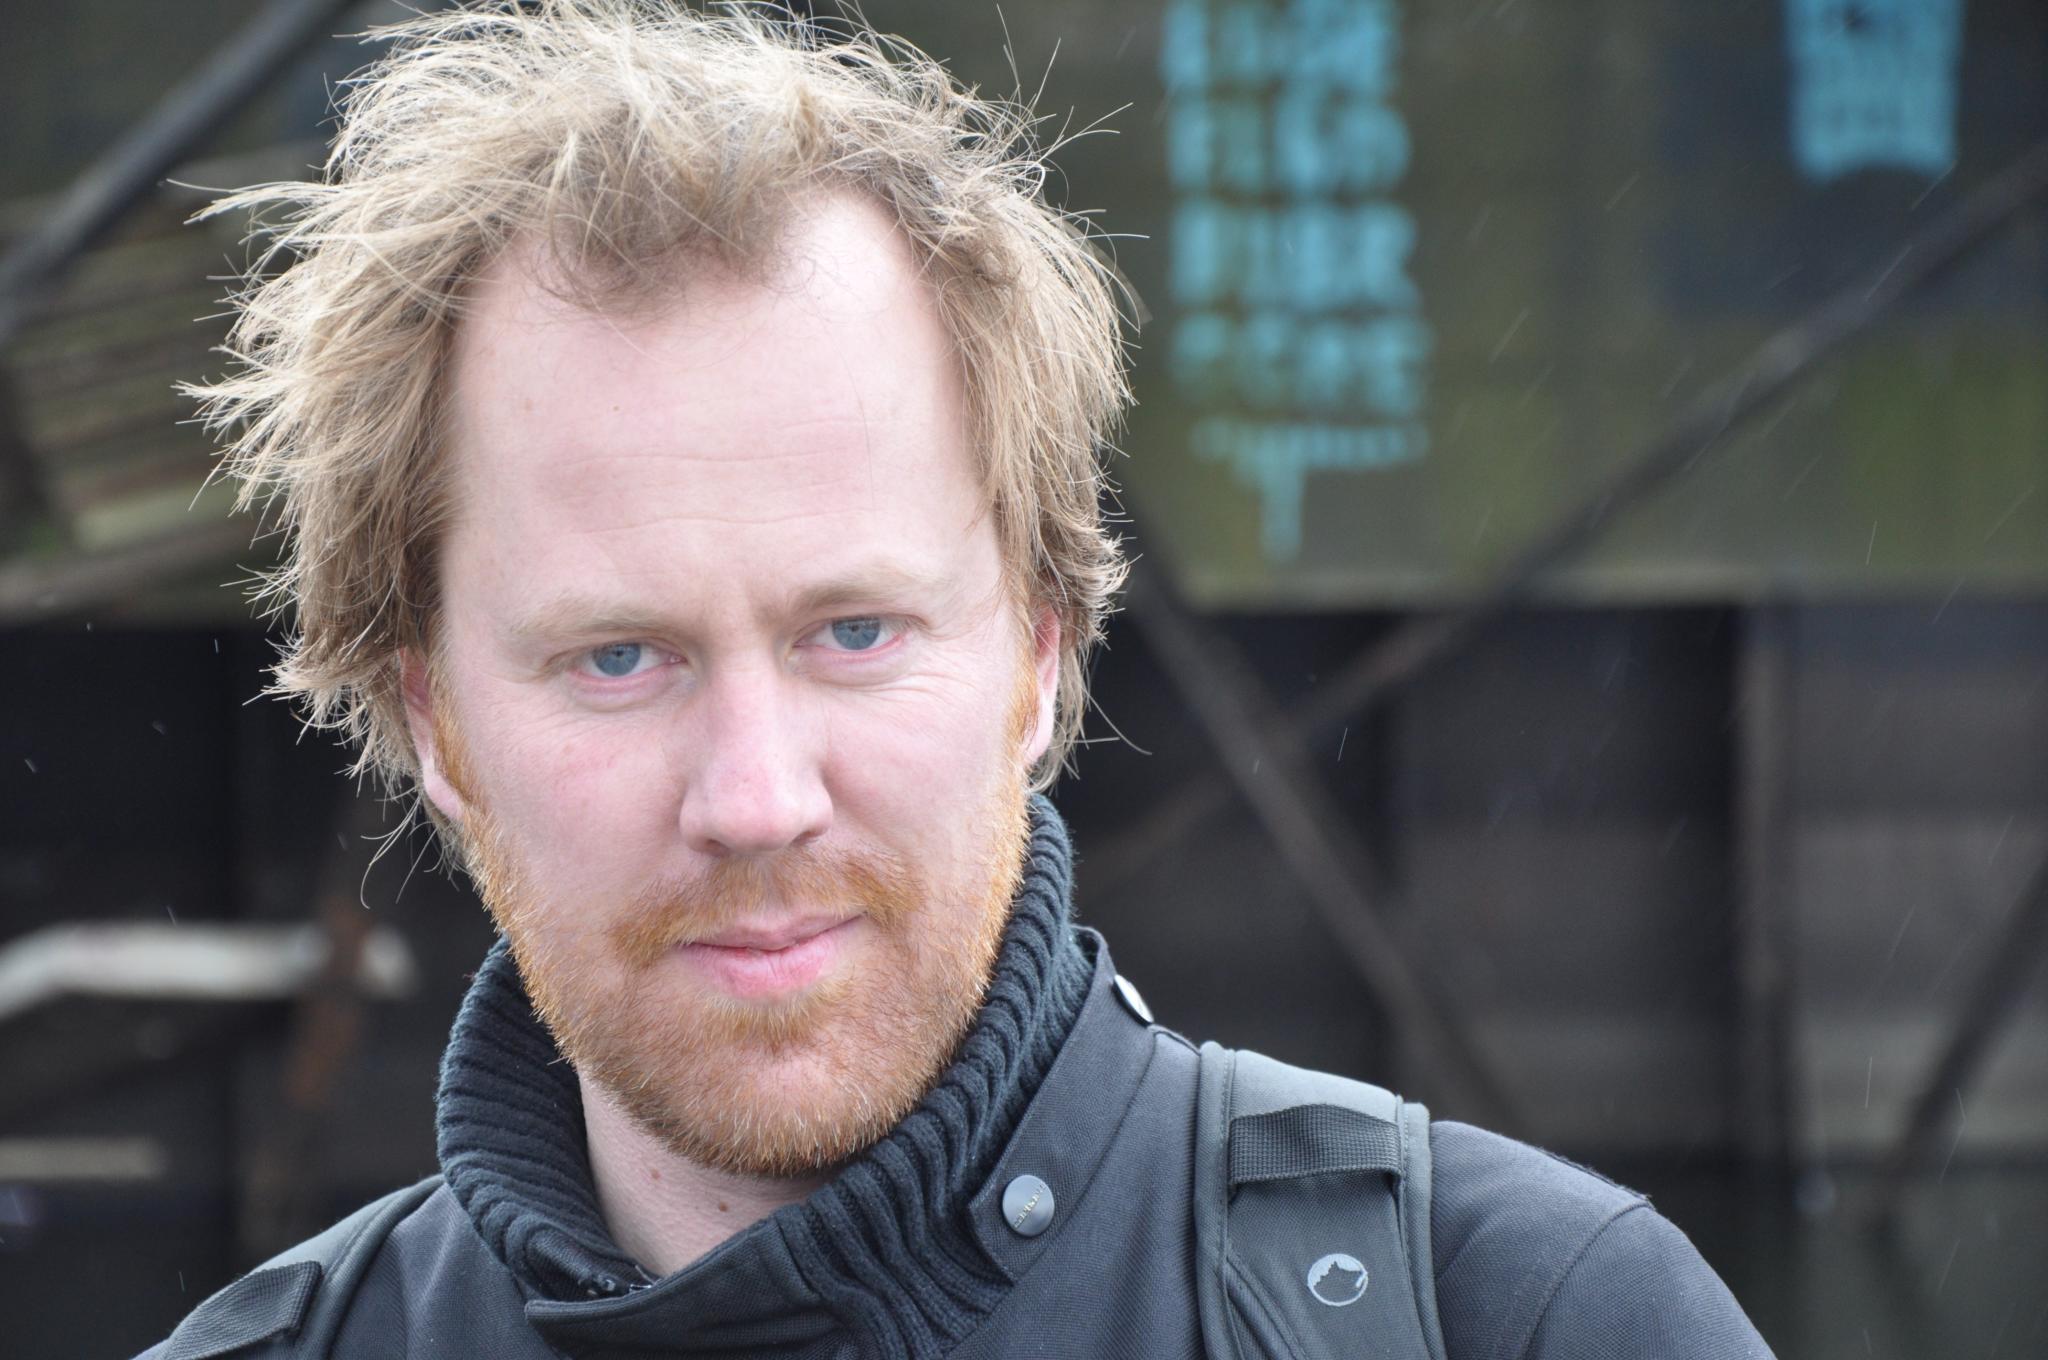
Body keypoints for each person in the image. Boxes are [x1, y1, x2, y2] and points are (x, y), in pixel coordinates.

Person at [143, 3, 1775, 1357]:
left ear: (1043, 651)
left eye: (853, 633)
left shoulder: (1532, 1320)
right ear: (436, 726)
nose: (758, 798)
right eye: (619, 656)